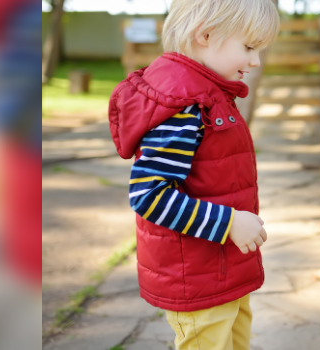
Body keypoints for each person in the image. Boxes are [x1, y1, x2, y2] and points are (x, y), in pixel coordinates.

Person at [107, 1, 279, 349]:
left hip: (221, 270)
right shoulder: (184, 106)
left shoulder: (208, 94)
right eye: (249, 47)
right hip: (199, 278)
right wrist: (228, 223)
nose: (255, 61)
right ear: (206, 34)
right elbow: (149, 194)